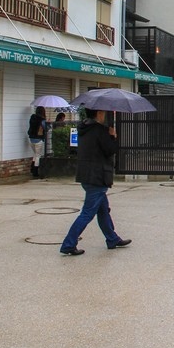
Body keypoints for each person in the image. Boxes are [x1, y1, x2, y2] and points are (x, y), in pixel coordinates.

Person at [59, 109, 130, 255]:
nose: (104, 115)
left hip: (86, 175)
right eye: (103, 112)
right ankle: (68, 244)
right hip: (97, 176)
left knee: (103, 210)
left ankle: (112, 239)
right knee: (87, 213)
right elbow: (109, 150)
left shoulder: (84, 128)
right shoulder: (100, 130)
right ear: (98, 113)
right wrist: (113, 136)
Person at [27, 106, 47, 178]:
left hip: (31, 139)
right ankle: (35, 171)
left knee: (35, 154)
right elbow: (46, 128)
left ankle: (32, 168)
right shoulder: (42, 120)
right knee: (38, 155)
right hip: (39, 139)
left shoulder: (32, 117)